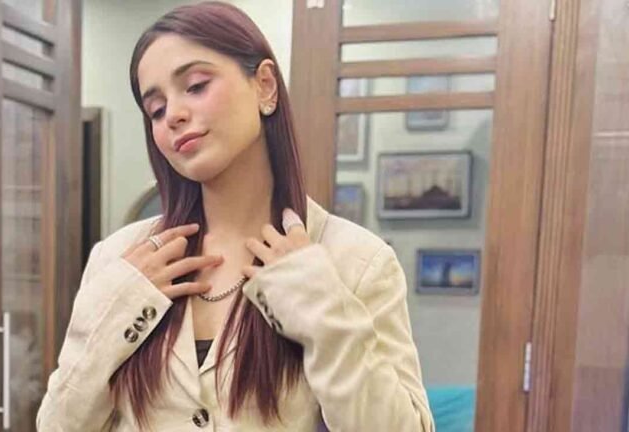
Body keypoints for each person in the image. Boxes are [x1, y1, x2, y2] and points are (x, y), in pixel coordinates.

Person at [37, 2, 434, 431]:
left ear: (265, 86)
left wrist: (321, 309)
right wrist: (118, 308)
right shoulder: (119, 260)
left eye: (195, 86)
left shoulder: (356, 261)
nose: (174, 115)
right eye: (156, 109)